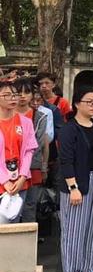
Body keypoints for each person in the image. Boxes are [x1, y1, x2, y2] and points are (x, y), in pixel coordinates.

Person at [58, 86, 93, 272]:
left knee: (91, 229)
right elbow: (66, 160)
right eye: (89, 102)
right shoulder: (69, 129)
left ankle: (89, 269)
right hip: (76, 183)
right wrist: (73, 187)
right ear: (77, 103)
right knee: (74, 231)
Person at [0, 80, 37, 222]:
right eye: (7, 95)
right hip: (3, 179)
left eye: (14, 94)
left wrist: (23, 177)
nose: (13, 98)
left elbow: (29, 151)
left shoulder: (26, 122)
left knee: (14, 222)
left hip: (19, 181)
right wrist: (4, 180)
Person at [14, 79, 49, 224]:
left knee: (30, 204)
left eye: (27, 92)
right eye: (18, 92)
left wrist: (44, 167)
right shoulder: (6, 114)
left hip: (32, 165)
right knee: (9, 207)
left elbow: (40, 144)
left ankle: (28, 235)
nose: (22, 96)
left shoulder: (40, 117)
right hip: (9, 167)